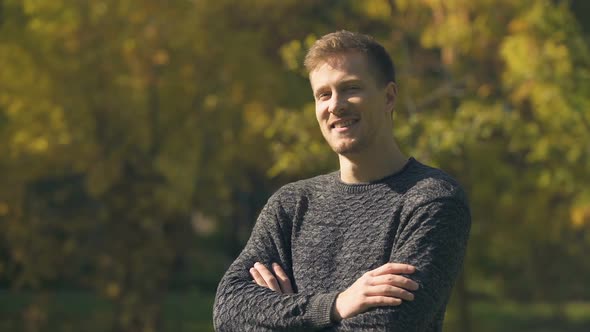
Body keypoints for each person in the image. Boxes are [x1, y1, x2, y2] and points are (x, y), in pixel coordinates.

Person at [213, 30, 471, 332]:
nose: (335, 105)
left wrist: (282, 319)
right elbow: (228, 308)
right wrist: (334, 306)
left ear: (389, 97)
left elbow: (384, 326)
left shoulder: (432, 199)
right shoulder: (291, 204)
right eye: (323, 94)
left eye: (350, 88)